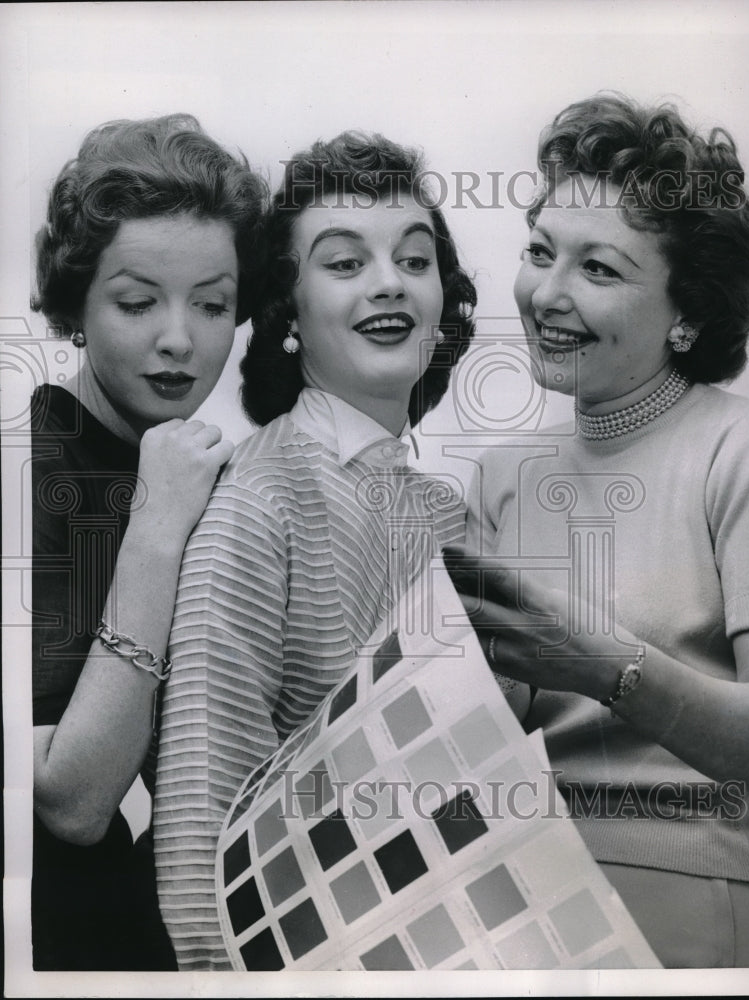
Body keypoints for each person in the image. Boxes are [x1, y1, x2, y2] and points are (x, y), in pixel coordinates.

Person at [445, 94, 749, 968]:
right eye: (540, 253)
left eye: (600, 270)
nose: (546, 293)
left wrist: (599, 664)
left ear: (688, 312)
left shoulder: (744, 451)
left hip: (693, 904)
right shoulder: (501, 474)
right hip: (520, 903)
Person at [152, 130, 478, 969]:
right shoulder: (261, 499)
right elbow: (204, 835)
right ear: (287, 315)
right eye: (343, 263)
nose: (388, 283)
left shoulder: (446, 516)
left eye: (414, 259)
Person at [29, 113, 267, 970]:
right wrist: (158, 525)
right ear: (76, 305)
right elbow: (73, 799)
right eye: (137, 302)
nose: (180, 338)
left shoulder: (185, 471)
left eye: (212, 304)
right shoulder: (34, 466)